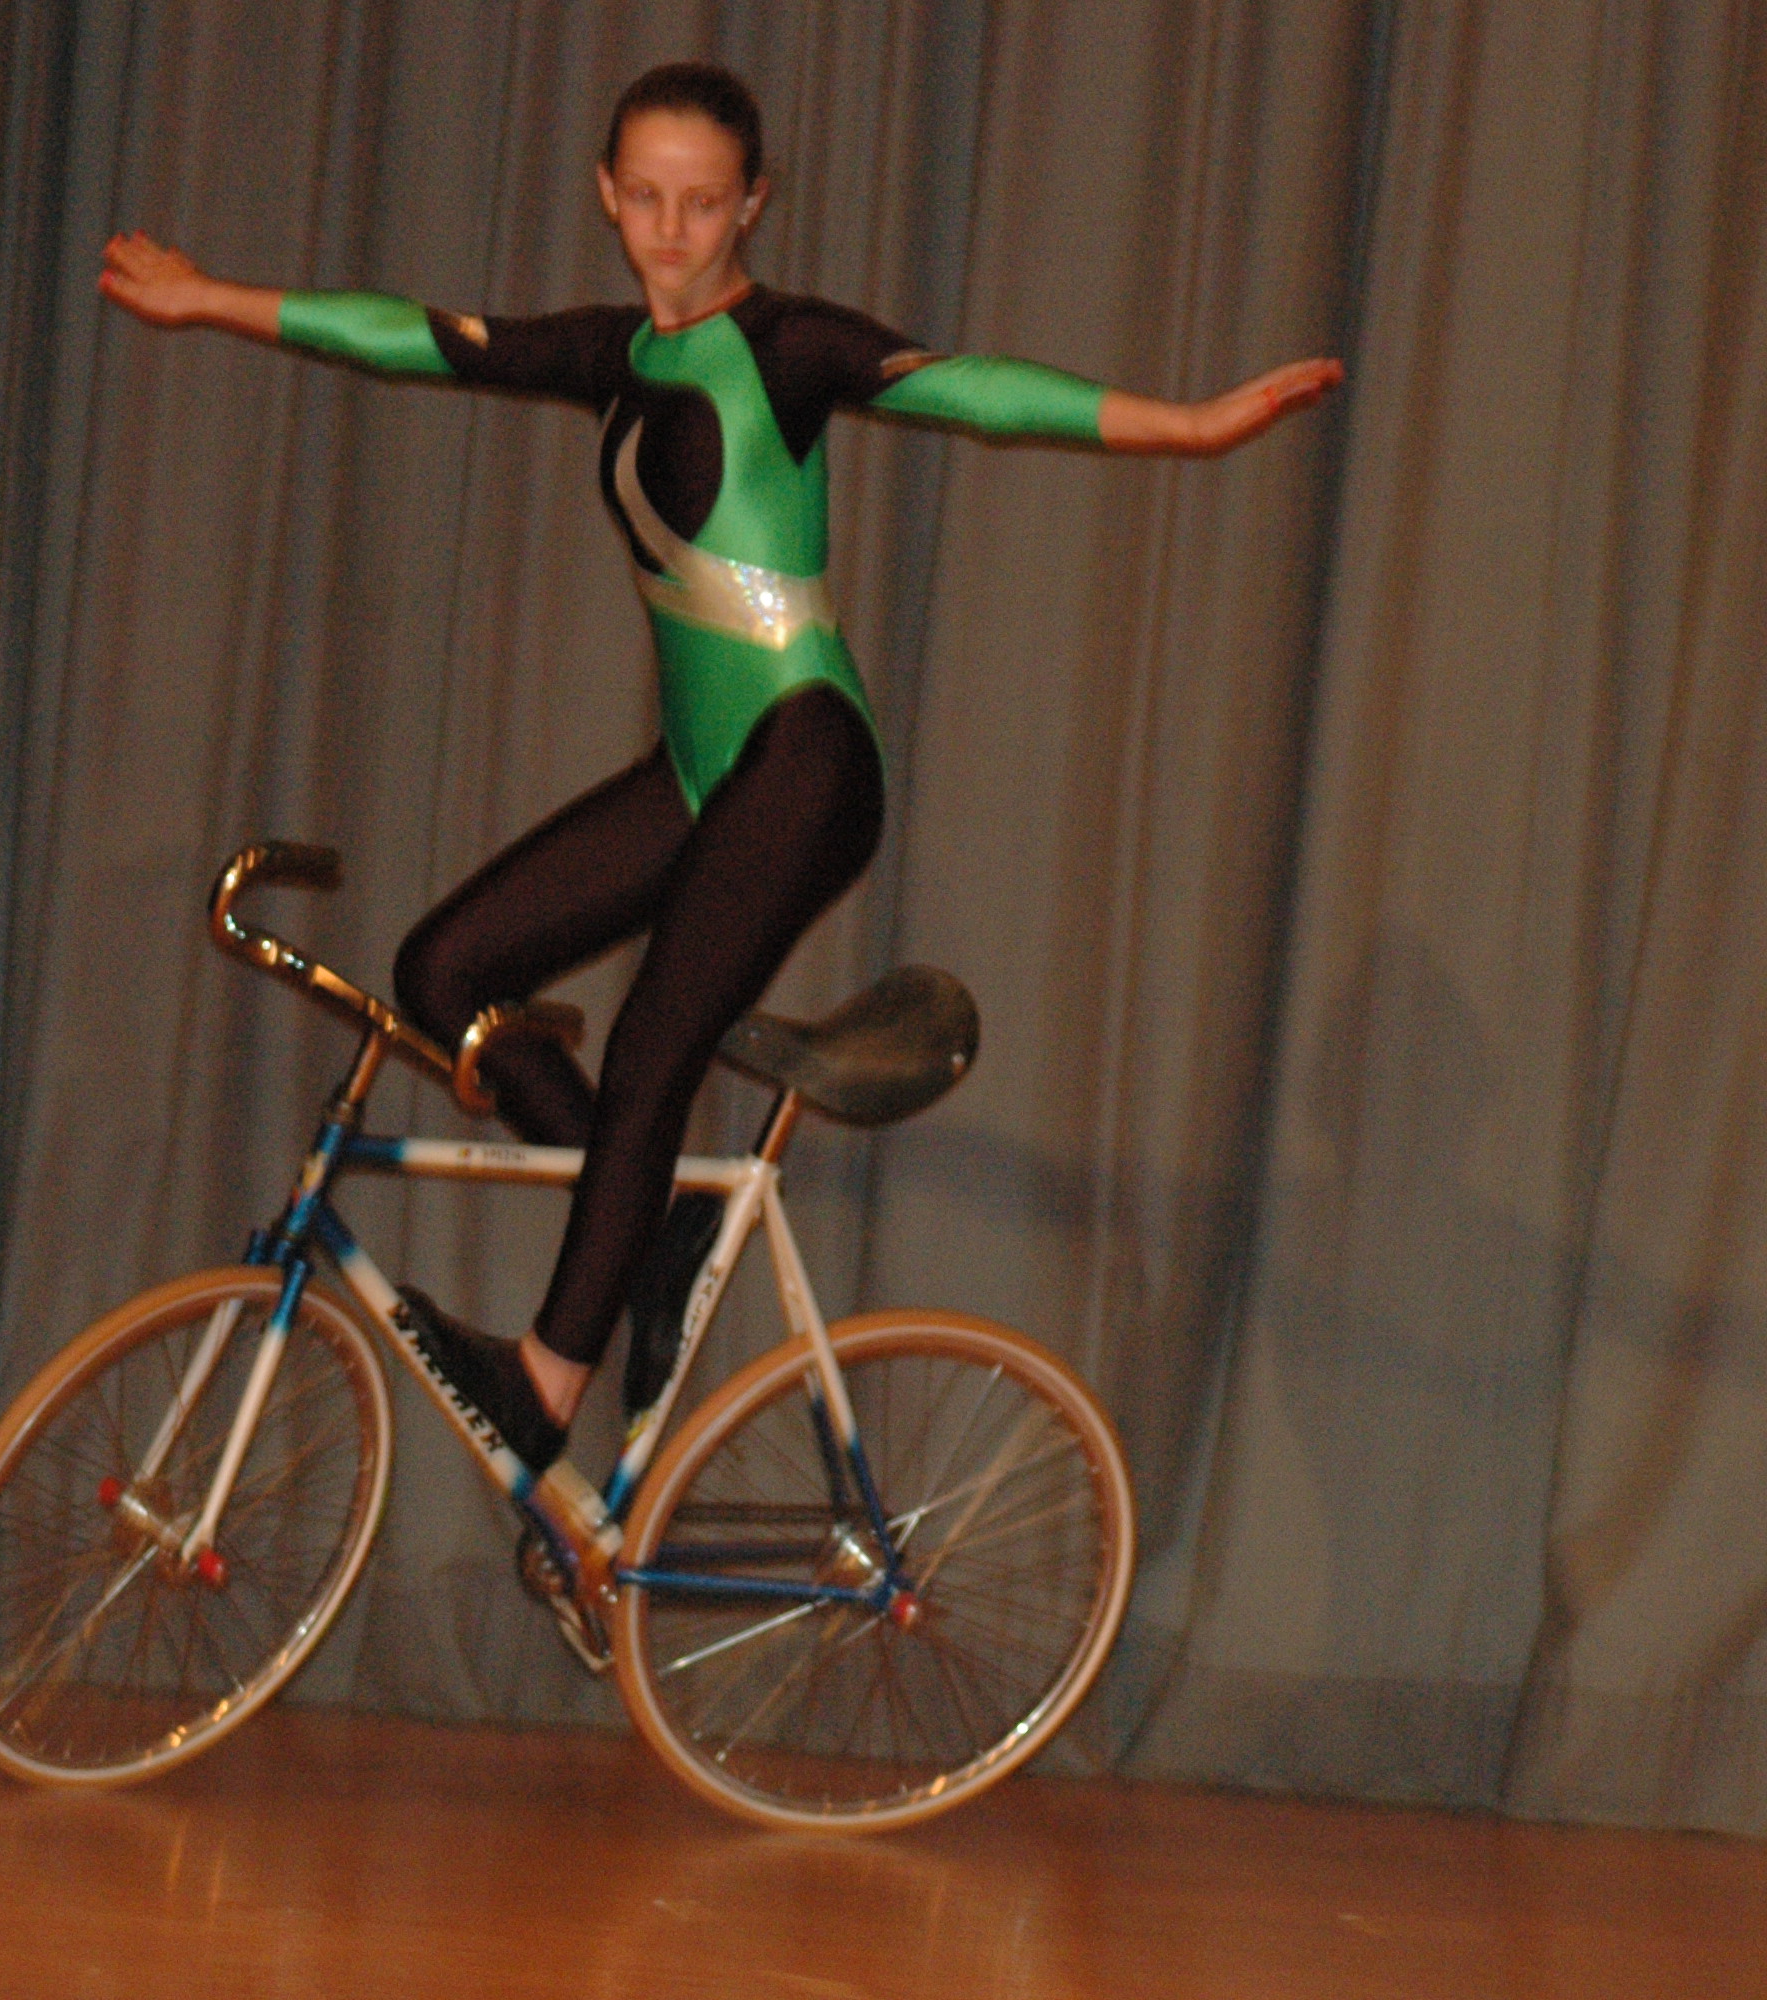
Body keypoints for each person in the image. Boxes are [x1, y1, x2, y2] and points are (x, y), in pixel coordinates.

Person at [100, 61, 1339, 1477]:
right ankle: (661, 1223)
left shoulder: (789, 347)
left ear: (753, 203)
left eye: (703, 204)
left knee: (651, 1052)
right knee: (445, 971)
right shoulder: (610, 354)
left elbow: (977, 392)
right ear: (606, 194)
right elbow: (416, 338)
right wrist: (213, 299)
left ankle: (548, 1383)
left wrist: (1189, 425)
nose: (671, 232)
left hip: (806, 758)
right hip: (701, 770)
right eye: (645, 199)